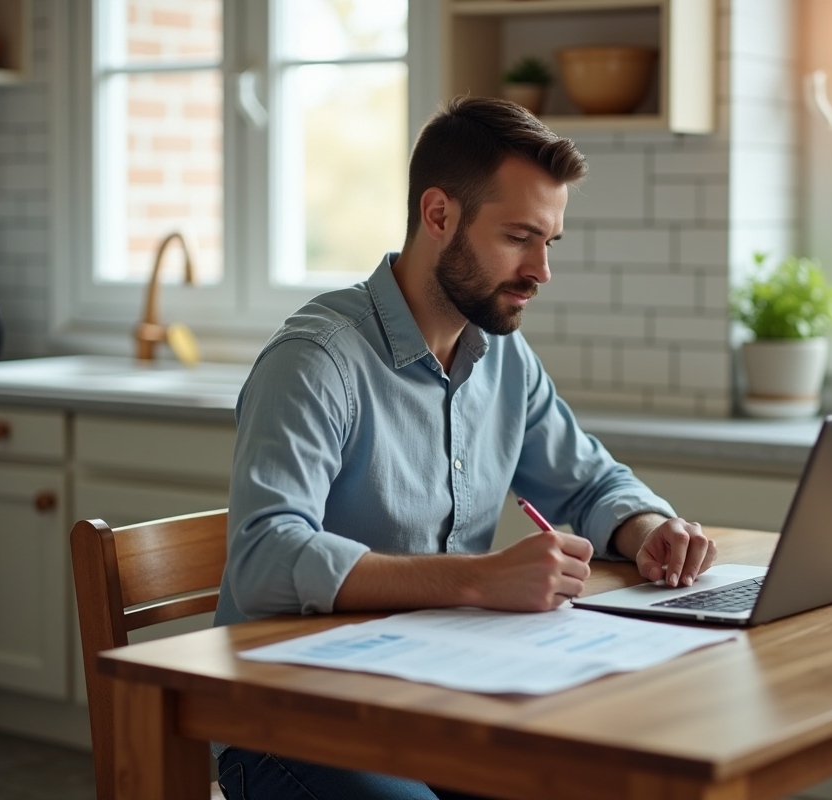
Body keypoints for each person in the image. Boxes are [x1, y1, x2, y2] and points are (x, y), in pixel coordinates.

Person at [212, 95, 718, 800]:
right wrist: (478, 580)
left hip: (441, 696)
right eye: (519, 237)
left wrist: (647, 529)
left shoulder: (502, 357)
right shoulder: (317, 360)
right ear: (438, 214)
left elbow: (591, 484)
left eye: (551, 242)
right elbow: (263, 559)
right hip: (291, 719)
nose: (542, 270)